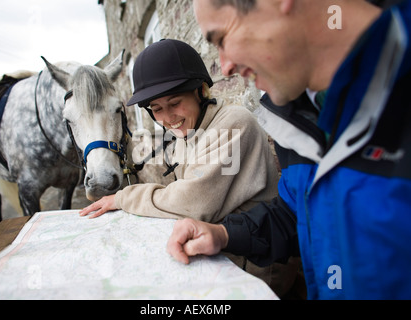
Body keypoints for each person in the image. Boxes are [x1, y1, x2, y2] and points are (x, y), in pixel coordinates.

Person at [167, 0, 411, 299]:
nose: (226, 66)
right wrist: (224, 234)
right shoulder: (294, 115)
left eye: (221, 39)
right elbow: (299, 213)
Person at [79, 39, 299, 296]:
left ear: (201, 91)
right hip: (219, 257)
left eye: (174, 103)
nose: (167, 118)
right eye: (156, 109)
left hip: (254, 271)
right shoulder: (186, 134)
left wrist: (123, 197)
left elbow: (192, 204)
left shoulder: (234, 125)